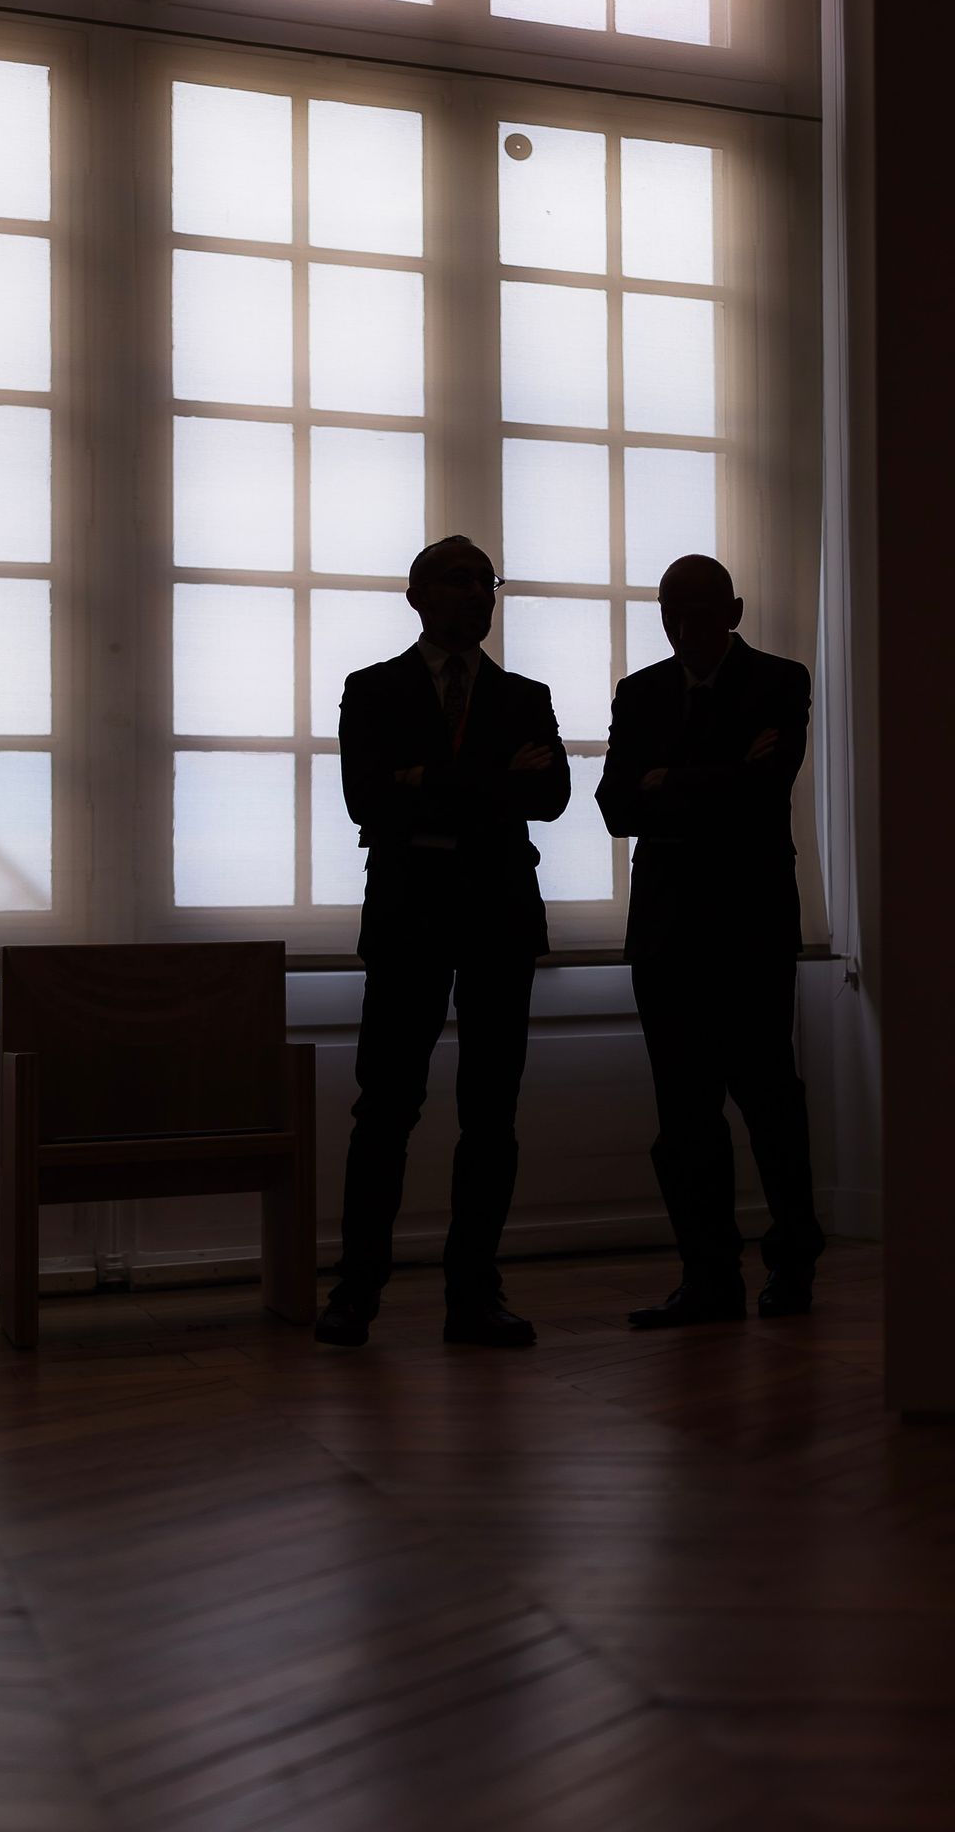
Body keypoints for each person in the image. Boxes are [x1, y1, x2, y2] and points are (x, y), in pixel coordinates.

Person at [314, 536, 570, 1349]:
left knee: (490, 1113)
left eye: (486, 583)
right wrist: (495, 782)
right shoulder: (372, 689)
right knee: (385, 1107)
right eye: (458, 582)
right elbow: (365, 801)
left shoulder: (526, 695)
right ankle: (356, 1292)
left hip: (496, 914)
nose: (477, 595)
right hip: (408, 915)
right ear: (415, 595)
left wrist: (423, 780)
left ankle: (474, 1294)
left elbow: (555, 797)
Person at [595, 554, 825, 1328]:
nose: (681, 625)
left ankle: (790, 1267)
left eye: (695, 609)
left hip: (749, 929)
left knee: (768, 1103)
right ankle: (709, 1277)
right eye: (668, 610)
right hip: (666, 936)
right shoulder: (642, 691)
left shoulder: (779, 680)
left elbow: (765, 787)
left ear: (732, 609)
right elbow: (614, 807)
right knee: (684, 1117)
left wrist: (664, 781)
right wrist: (714, 778)